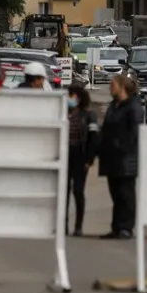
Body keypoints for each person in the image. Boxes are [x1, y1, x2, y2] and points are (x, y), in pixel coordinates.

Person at [98, 73, 144, 239]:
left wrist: (121, 146)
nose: (110, 87)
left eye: (113, 84)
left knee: (126, 194)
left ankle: (126, 227)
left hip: (126, 159)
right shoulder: (113, 105)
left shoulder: (133, 106)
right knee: (116, 193)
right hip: (112, 158)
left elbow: (135, 132)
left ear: (122, 87)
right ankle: (117, 226)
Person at [66, 84, 99, 237]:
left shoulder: (88, 115)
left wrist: (90, 159)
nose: (68, 99)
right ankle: (62, 225)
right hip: (64, 155)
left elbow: (93, 138)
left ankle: (78, 226)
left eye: (71, 96)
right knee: (63, 191)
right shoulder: (62, 113)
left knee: (78, 190)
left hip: (80, 156)